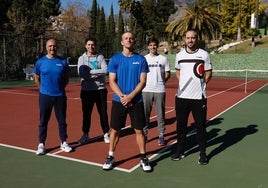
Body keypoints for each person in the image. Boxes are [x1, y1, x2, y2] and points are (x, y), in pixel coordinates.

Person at [102, 31, 152, 172]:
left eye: (131, 38)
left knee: (139, 130)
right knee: (115, 130)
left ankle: (143, 157)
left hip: (136, 101)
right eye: (126, 38)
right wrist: (123, 96)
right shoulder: (115, 59)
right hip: (119, 101)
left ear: (134, 41)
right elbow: (111, 81)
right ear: (122, 42)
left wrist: (131, 96)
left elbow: (143, 81)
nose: (128, 40)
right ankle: (110, 156)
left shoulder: (141, 59)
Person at [171, 29, 212, 165]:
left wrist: (200, 85)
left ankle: (202, 154)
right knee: (181, 126)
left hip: (198, 98)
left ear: (197, 38)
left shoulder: (204, 55)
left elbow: (208, 73)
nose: (190, 40)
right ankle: (180, 151)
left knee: (200, 127)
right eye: (188, 38)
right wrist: (184, 85)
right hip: (181, 97)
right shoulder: (179, 55)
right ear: (184, 39)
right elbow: (178, 72)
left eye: (193, 38)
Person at [34, 38, 72, 155]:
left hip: (60, 96)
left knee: (62, 121)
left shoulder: (63, 62)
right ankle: (41, 144)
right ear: (46, 47)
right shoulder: (40, 62)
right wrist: (42, 89)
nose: (52, 48)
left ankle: (64, 142)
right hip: (45, 96)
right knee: (43, 120)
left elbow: (66, 78)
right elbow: (36, 77)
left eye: (54, 46)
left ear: (57, 47)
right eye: (50, 46)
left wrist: (60, 88)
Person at [77, 37, 110, 144]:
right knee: (86, 114)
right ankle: (85, 134)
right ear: (85, 46)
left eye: (92, 44)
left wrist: (90, 72)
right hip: (86, 91)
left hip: (100, 90)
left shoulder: (100, 57)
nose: (91, 46)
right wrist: (96, 74)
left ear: (95, 46)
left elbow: (105, 70)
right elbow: (81, 73)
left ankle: (106, 133)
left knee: (103, 113)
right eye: (89, 44)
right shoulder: (81, 59)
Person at [142, 37, 171, 146]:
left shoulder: (163, 59)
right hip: (146, 90)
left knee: (160, 114)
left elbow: (167, 73)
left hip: (160, 90)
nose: (153, 47)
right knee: (145, 114)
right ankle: (144, 134)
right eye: (150, 45)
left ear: (157, 46)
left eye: (154, 45)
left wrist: (162, 82)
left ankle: (161, 135)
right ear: (148, 46)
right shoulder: (143, 59)